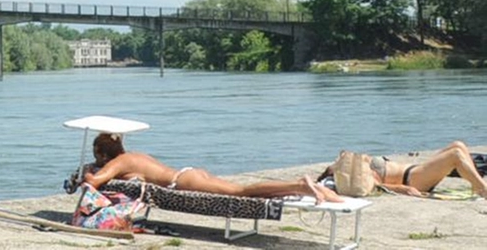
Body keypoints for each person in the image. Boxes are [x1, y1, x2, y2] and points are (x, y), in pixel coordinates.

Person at [84, 132, 342, 203]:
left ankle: (299, 185)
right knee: (240, 190)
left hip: (183, 182)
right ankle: (321, 191)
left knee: (242, 192)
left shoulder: (118, 162)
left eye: (96, 154)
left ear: (101, 152)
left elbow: (93, 183)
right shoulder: (135, 155)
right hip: (188, 173)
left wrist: (87, 172)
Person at [324, 142, 487, 198]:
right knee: (456, 154)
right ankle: (482, 189)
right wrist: (401, 189)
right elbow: (374, 185)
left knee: (458, 145)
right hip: (413, 179)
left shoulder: (354, 164)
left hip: (415, 170)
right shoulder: (355, 176)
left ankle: (474, 183)